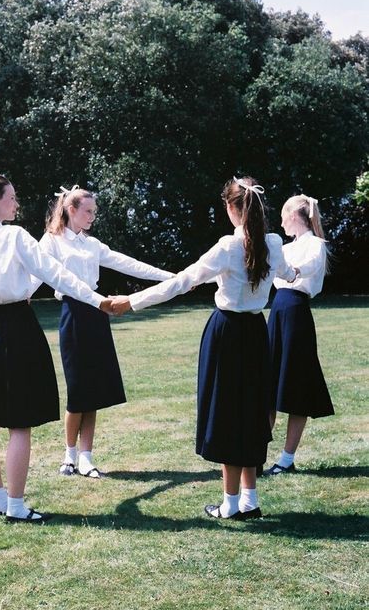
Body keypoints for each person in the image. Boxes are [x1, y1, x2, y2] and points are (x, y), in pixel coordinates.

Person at [110, 177, 298, 519]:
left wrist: (131, 302)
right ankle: (249, 500)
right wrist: (292, 270)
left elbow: (182, 281)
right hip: (257, 332)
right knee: (252, 412)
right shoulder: (273, 241)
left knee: (228, 413)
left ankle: (230, 504)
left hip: (226, 333)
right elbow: (289, 272)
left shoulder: (228, 246)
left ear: (230, 208)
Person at [0, 174, 112, 524]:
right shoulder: (14, 236)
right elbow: (58, 275)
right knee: (19, 424)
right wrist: (98, 300)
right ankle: (16, 505)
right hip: (17, 331)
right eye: (11, 197)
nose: (16, 203)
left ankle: (0, 502)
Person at [37, 185, 174, 479]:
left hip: (97, 314)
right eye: (88, 211)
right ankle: (69, 455)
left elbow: (129, 264)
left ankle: (86, 457)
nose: (92, 217)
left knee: (95, 389)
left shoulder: (92, 244)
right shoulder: (51, 241)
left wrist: (172, 278)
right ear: (71, 210)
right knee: (77, 390)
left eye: (94, 212)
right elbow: (32, 272)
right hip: (72, 315)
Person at [263, 195, 334, 476]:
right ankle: (256, 456)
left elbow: (310, 269)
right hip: (278, 310)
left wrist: (291, 272)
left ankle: (286, 459)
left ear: (294, 215)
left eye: (283, 215)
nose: (280, 221)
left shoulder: (316, 245)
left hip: (296, 312)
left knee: (295, 384)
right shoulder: (284, 246)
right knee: (268, 386)